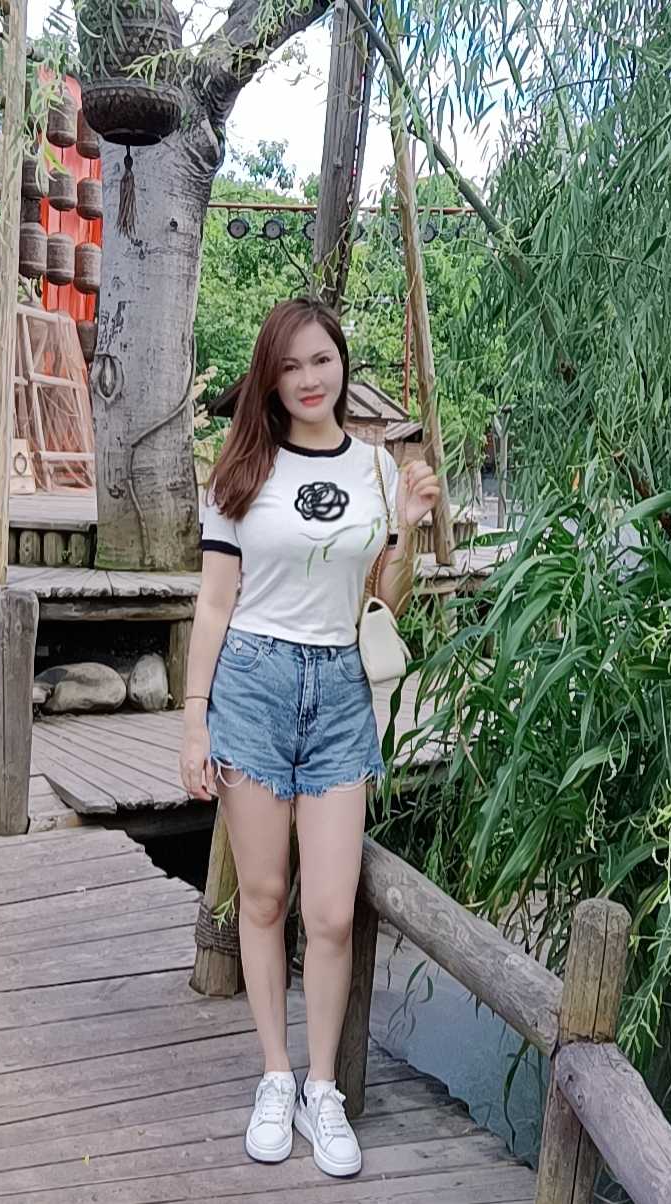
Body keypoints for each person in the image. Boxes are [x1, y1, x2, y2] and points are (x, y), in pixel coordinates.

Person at [179, 298, 440, 1177]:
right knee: (262, 898)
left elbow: (385, 598)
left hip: (338, 691)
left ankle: (321, 1088)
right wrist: (193, 721)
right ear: (271, 377)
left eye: (321, 360)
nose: (308, 379)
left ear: (341, 364)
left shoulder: (375, 467)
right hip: (252, 684)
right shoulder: (240, 469)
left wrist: (407, 526)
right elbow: (214, 604)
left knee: (329, 912)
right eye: (290, 366)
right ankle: (275, 1075)